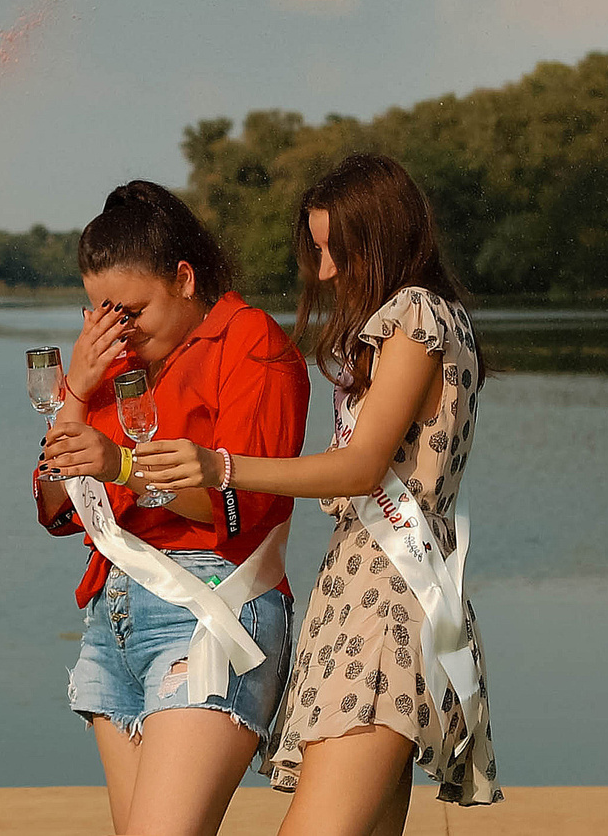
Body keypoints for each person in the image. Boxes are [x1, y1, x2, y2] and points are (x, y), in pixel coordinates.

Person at [133, 153, 500, 833]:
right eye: (320, 250)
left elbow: (359, 468)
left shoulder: (414, 315)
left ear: (383, 238)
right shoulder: (431, 317)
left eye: (337, 249)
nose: (325, 270)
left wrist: (222, 467)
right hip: (370, 592)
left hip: (385, 604)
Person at [37, 181, 309, 836]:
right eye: (99, 311)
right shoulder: (108, 363)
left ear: (184, 278)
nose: (116, 328)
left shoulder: (249, 342)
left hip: (209, 604)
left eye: (129, 309)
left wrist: (121, 464)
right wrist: (74, 386)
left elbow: (249, 501)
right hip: (112, 621)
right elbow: (54, 506)